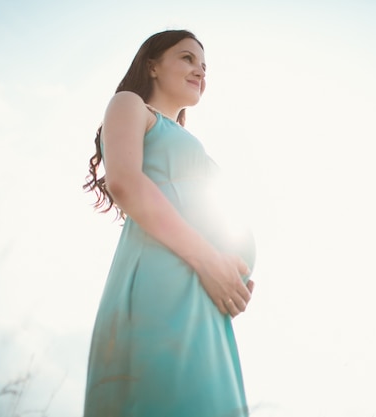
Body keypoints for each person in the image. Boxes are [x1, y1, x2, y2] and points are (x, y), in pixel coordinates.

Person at [82, 29, 256, 417]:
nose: (199, 71)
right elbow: (125, 182)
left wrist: (234, 275)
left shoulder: (188, 140)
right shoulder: (131, 106)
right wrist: (210, 261)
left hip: (207, 293)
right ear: (152, 65)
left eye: (204, 66)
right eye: (187, 58)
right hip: (166, 277)